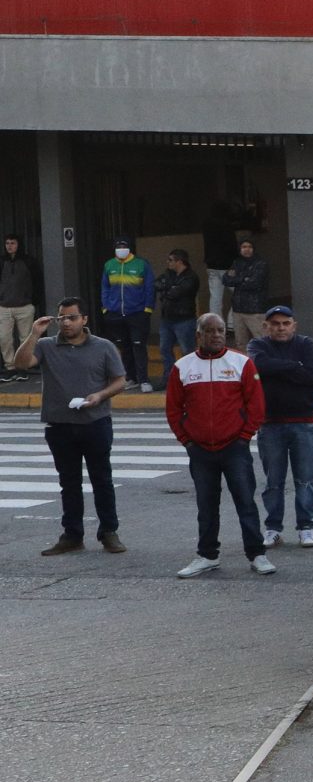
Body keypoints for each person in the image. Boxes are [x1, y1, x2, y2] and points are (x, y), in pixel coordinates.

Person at [10, 300, 127, 556]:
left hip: (95, 423)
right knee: (69, 483)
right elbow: (21, 363)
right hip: (60, 426)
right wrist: (34, 333)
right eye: (62, 318)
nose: (66, 322)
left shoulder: (103, 347)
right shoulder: (46, 345)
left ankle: (109, 532)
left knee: (102, 480)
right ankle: (72, 534)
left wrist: (100, 396)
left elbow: (119, 381)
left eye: (72, 318)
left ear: (84, 319)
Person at [165, 312, 271, 580]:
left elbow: (256, 404)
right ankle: (207, 555)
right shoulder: (182, 367)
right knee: (206, 505)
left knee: (246, 501)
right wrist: (186, 440)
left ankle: (257, 554)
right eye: (210, 331)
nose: (216, 335)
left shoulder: (242, 363)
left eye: (221, 330)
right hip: (200, 449)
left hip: (235, 446)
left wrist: (245, 436)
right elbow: (173, 409)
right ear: (198, 335)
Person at [247, 305, 313, 549]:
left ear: (294, 325)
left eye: (286, 323)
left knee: (305, 479)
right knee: (273, 481)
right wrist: (294, 366)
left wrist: (277, 368)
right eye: (276, 323)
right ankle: (272, 528)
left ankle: (306, 527)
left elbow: (312, 375)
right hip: (270, 424)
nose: (281, 327)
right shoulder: (257, 346)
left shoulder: (306, 344)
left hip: (303, 421)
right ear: (266, 326)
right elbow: (258, 367)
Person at [98, 238, 152, 392]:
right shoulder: (109, 265)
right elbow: (105, 287)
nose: (121, 249)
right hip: (115, 313)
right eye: (118, 246)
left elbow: (149, 287)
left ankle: (144, 380)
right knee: (124, 347)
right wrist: (106, 308)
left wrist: (147, 309)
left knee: (138, 346)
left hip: (137, 313)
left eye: (124, 246)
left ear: (130, 248)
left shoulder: (141, 264)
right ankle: (130, 378)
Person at [152, 250, 201, 396]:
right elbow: (157, 284)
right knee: (165, 350)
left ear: (179, 261)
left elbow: (177, 293)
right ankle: (168, 378)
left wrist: (168, 290)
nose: (168, 263)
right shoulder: (169, 274)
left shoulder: (191, 277)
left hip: (184, 319)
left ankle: (191, 379)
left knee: (188, 352)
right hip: (167, 319)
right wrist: (169, 289)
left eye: (171, 260)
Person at [0, 233, 40, 382]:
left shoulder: (29, 261)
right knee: (4, 338)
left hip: (24, 306)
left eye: (13, 243)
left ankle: (23, 368)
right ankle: (10, 367)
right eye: (7, 243)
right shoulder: (2, 261)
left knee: (26, 339)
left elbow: (37, 281)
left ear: (19, 244)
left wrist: (33, 301)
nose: (9, 246)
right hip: (3, 307)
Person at [223, 237, 271, 349]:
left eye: (249, 247)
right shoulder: (236, 262)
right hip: (238, 309)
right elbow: (226, 280)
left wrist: (236, 279)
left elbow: (254, 283)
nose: (247, 249)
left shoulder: (260, 263)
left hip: (255, 310)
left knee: (262, 341)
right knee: (240, 343)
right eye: (244, 247)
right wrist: (244, 278)